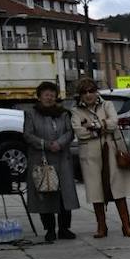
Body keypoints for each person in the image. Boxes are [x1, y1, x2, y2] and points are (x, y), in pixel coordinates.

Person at [71, 77, 130, 238]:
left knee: (118, 188)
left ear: (96, 92)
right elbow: (79, 131)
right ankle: (101, 226)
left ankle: (127, 225)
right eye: (84, 92)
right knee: (96, 192)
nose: (88, 95)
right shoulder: (76, 110)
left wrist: (94, 126)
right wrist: (102, 127)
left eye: (91, 91)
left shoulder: (107, 104)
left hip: (111, 151)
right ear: (80, 95)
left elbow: (114, 122)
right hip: (91, 155)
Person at [23, 81, 79, 243]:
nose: (49, 98)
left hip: (62, 159)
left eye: (52, 95)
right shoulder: (31, 114)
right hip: (42, 160)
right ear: (39, 97)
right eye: (46, 95)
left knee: (64, 195)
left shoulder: (63, 114)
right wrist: (46, 144)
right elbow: (28, 135)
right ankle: (49, 230)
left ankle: (64, 228)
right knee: (45, 194)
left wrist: (59, 143)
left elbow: (70, 132)